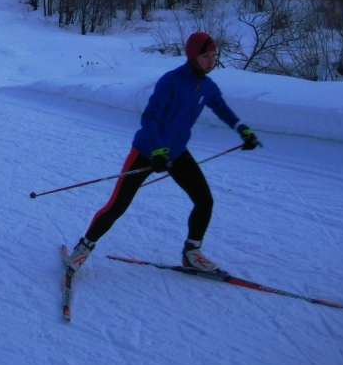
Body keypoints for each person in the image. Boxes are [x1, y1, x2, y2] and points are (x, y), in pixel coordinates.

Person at [64, 32, 261, 278]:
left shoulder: (207, 86)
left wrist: (244, 130)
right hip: (147, 151)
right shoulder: (172, 81)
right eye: (205, 56)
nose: (211, 61)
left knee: (204, 200)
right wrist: (157, 150)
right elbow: (150, 117)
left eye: (214, 56)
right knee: (118, 205)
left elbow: (221, 108)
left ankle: (192, 254)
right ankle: (82, 249)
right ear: (192, 56)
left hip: (177, 153)